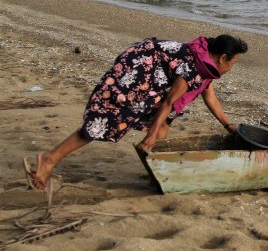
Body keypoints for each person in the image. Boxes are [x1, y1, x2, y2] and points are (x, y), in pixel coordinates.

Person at [24, 34, 248, 191]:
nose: (233, 67)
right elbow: (169, 102)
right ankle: (49, 159)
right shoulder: (194, 67)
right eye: (234, 63)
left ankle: (158, 173)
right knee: (105, 121)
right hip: (138, 74)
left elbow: (208, 94)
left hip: (151, 74)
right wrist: (148, 136)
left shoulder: (205, 59)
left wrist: (227, 125)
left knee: (162, 126)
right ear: (222, 58)